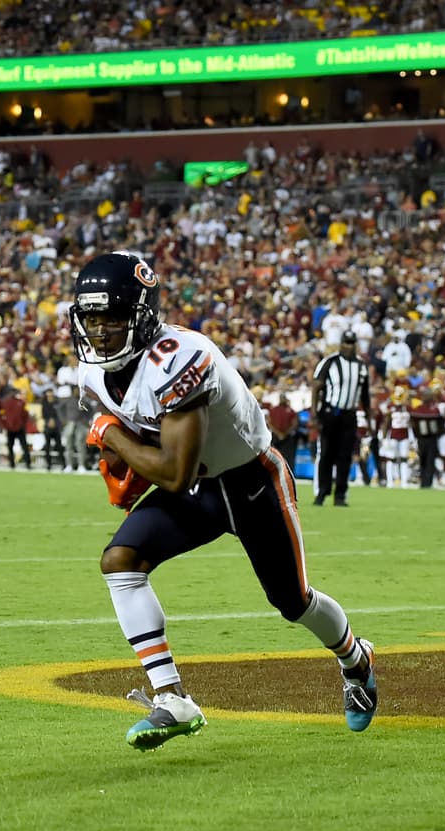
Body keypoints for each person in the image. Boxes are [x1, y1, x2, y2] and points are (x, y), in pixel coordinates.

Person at [69, 252, 377, 751]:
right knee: (120, 562)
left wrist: (112, 437)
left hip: (252, 483)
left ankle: (355, 658)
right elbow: (143, 439)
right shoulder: (94, 373)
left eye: (114, 316)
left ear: (143, 313)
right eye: (91, 317)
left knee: (293, 602)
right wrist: (122, 453)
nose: (101, 330)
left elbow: (173, 472)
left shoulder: (180, 357)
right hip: (200, 491)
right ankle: (172, 698)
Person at [311, 330, 373, 507]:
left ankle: (340, 495)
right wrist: (315, 413)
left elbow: (365, 395)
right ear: (341, 343)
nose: (348, 346)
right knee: (327, 454)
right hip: (331, 413)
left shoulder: (361, 366)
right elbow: (316, 386)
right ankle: (321, 493)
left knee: (345, 456)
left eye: (351, 343)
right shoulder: (330, 362)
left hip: (349, 414)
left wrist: (369, 417)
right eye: (346, 342)